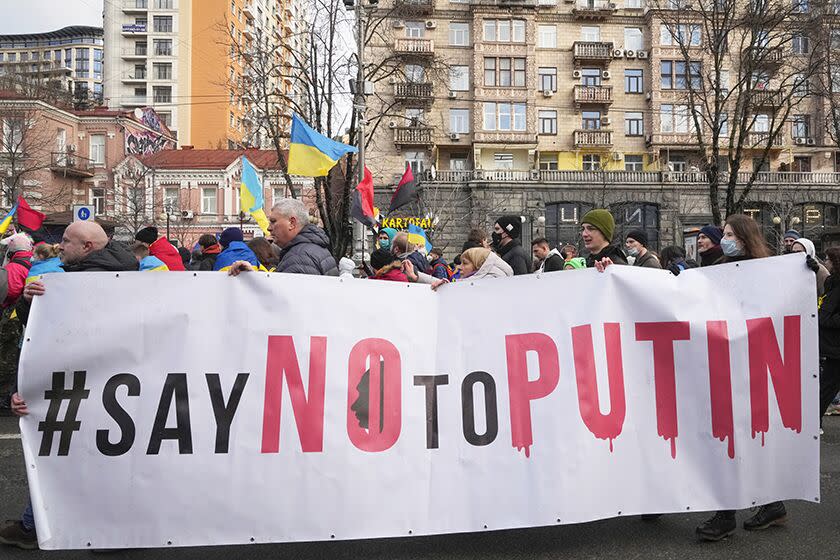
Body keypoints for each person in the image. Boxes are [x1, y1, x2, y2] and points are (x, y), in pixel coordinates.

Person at [1, 221, 137, 550]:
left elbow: (50, 343)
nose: (59, 245)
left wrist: (27, 387)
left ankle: (35, 528)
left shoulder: (77, 282)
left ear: (88, 247)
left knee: (55, 453)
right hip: (119, 388)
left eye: (66, 241)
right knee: (107, 460)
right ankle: (121, 531)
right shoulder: (130, 272)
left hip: (84, 386)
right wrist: (31, 302)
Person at [696, 213, 779, 542]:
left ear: (745, 238)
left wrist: (808, 274)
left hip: (746, 364)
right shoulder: (721, 268)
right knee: (734, 437)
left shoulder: (765, 272)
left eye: (730, 234)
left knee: (734, 437)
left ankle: (727, 515)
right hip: (727, 363)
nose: (724, 238)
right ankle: (770, 505)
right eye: (724, 233)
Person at [229, 198, 337, 276]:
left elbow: (286, 302)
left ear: (292, 223)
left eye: (273, 221)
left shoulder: (298, 257)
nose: (269, 229)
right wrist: (254, 277)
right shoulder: (313, 249)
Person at [404, 247, 513, 289]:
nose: (459, 267)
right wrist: (416, 277)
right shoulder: (470, 287)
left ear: (480, 267)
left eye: (465, 263)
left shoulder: (486, 288)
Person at [818, 247, 840, 426]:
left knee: (826, 389)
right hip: (831, 346)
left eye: (828, 260)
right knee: (826, 388)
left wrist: (825, 319)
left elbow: (826, 315)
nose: (826, 262)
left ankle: (813, 422)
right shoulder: (832, 283)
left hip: (836, 348)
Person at [0, 233, 33, 308]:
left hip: (10, 306)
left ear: (10, 253)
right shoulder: (34, 260)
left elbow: (11, 292)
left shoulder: (11, 269)